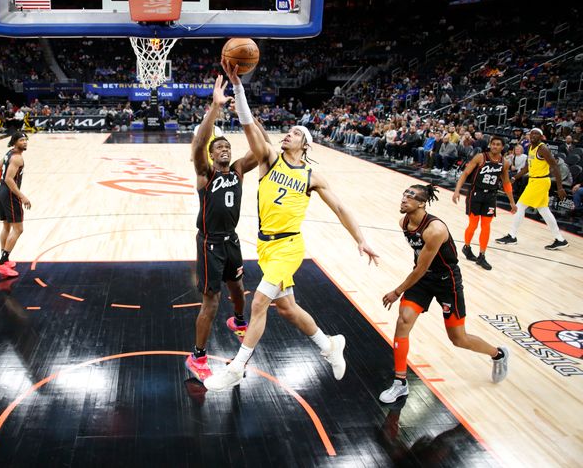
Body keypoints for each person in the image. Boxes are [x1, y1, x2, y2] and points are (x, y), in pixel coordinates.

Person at [204, 62, 380, 392]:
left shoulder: (312, 177)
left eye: (296, 133)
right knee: (286, 308)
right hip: (266, 247)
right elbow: (248, 126)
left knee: (259, 303)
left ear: (305, 145)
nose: (289, 133)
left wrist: (361, 239)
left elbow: (340, 207)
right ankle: (330, 346)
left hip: (289, 246)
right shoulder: (269, 159)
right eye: (289, 131)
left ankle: (237, 367)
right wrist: (238, 87)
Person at [379, 184, 509, 404]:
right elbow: (420, 265)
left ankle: (498, 354)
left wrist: (397, 291)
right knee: (403, 320)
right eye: (403, 195)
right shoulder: (404, 222)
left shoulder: (435, 229)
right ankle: (400, 382)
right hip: (422, 281)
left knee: (458, 339)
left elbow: (421, 267)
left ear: (422, 203)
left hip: (446, 283)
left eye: (410, 197)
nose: (403, 199)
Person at [185, 76, 264, 382]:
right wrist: (214, 109)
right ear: (211, 154)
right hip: (209, 245)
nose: (223, 150)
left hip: (232, 241)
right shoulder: (205, 174)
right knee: (211, 302)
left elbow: (262, 150)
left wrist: (250, 118)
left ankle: (240, 320)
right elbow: (197, 145)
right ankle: (198, 356)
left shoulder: (240, 170)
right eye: (218, 148)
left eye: (226, 147)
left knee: (238, 290)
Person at [495, 128, 568, 250]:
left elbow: (554, 166)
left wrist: (560, 187)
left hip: (540, 181)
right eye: (532, 133)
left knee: (520, 206)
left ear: (541, 137)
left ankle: (512, 236)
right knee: (544, 210)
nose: (533, 135)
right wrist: (515, 178)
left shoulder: (542, 148)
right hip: (534, 180)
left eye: (536, 134)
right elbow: (527, 167)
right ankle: (560, 239)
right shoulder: (530, 148)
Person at [451, 136, 517, 270]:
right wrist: (457, 191)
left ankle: (482, 255)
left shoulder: (504, 163)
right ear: (490, 145)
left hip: (491, 196)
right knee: (473, 224)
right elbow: (465, 173)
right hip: (476, 193)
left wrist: (512, 202)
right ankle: (467, 247)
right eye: (493, 144)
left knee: (486, 226)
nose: (495, 146)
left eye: (498, 144)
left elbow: (506, 183)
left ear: (502, 147)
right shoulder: (480, 157)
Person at [0, 132, 31, 277]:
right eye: (22, 140)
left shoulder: (9, 153)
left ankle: (5, 258)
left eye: (26, 140)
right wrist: (22, 196)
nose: (25, 142)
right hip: (9, 194)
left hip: (2, 191)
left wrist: (1, 184)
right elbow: (9, 179)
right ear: (14, 142)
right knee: (18, 229)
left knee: (6, 226)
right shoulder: (17, 158)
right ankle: (1, 263)